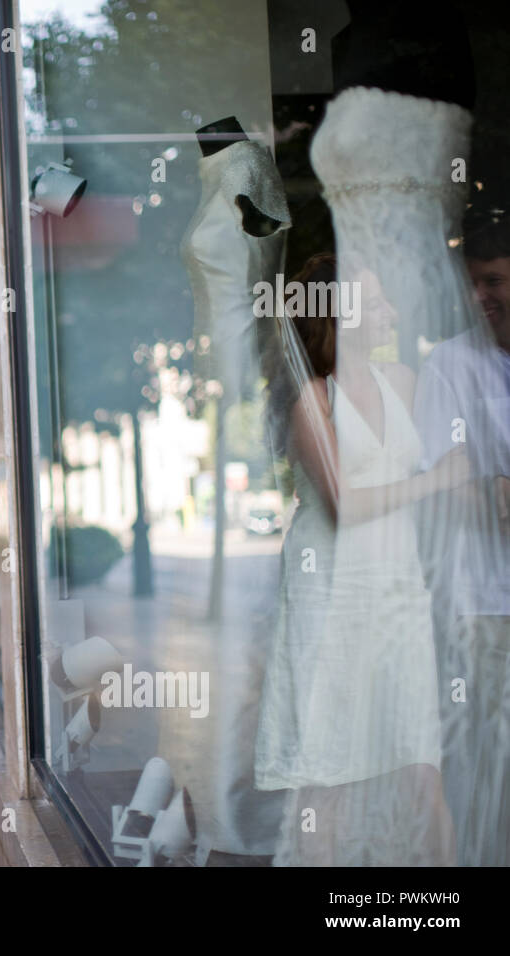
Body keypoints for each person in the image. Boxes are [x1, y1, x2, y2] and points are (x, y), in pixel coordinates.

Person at [255, 254, 469, 865]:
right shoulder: (310, 402)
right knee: (330, 776)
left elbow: (452, 469)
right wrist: (437, 481)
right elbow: (346, 502)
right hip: (331, 596)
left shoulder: (402, 380)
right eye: (375, 303)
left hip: (398, 591)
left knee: (421, 766)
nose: (390, 313)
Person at [413, 220, 510, 865]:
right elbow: (444, 483)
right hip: (487, 603)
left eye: (494, 280)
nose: (481, 294)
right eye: (473, 282)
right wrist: (489, 489)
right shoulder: (450, 364)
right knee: (491, 761)